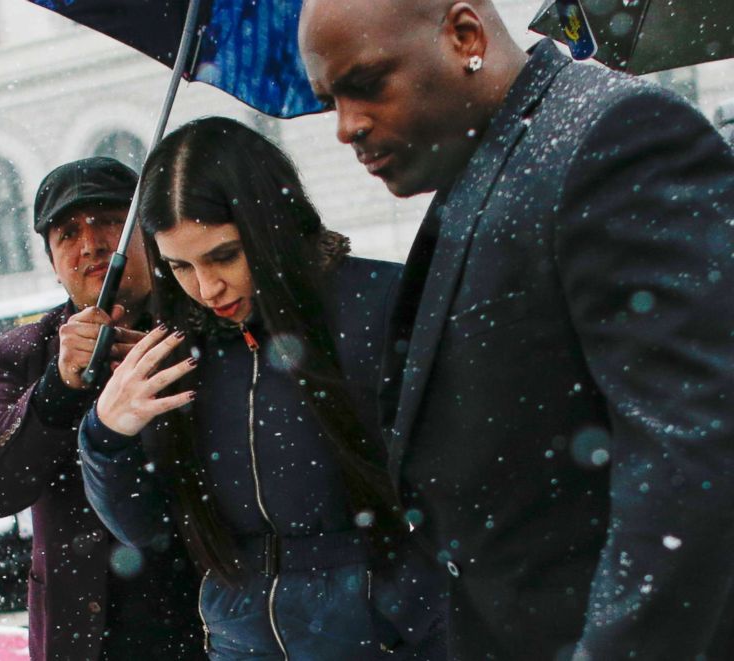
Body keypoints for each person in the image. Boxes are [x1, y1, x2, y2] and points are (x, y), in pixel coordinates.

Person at [298, 1, 734, 659]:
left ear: (464, 36)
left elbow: (694, 454)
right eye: (330, 99)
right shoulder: (485, 158)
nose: (345, 127)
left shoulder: (612, 136)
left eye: (365, 84)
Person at [78, 117, 444, 660]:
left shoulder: (385, 305)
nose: (206, 288)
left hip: (387, 635)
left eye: (223, 255)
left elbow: (461, 492)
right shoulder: (175, 350)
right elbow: (148, 532)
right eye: (179, 266)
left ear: (271, 224)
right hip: (244, 640)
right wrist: (107, 436)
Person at [0, 157, 203, 660]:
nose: (90, 244)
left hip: (208, 620)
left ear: (148, 234)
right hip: (88, 635)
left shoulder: (203, 322)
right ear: (52, 261)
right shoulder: (24, 354)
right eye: (67, 233)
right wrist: (58, 388)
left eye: (110, 221)